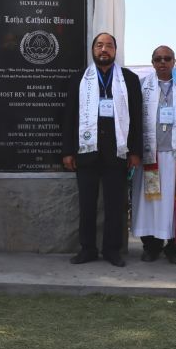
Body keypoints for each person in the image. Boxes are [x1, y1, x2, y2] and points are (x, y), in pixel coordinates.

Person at [62, 32, 142, 267]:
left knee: (115, 205)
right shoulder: (79, 79)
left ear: (115, 51)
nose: (104, 49)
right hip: (86, 153)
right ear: (93, 50)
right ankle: (87, 249)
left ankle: (112, 250)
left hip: (118, 153)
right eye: (99, 45)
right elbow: (69, 117)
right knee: (86, 204)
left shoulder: (129, 79)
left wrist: (135, 151)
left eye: (108, 45)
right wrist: (68, 151)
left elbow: (137, 117)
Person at [132, 45, 176, 264]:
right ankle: (151, 245)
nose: (162, 62)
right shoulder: (143, 86)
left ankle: (173, 248)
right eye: (158, 59)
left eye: (167, 58)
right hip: (152, 155)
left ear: (174, 61)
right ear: (152, 63)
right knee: (151, 203)